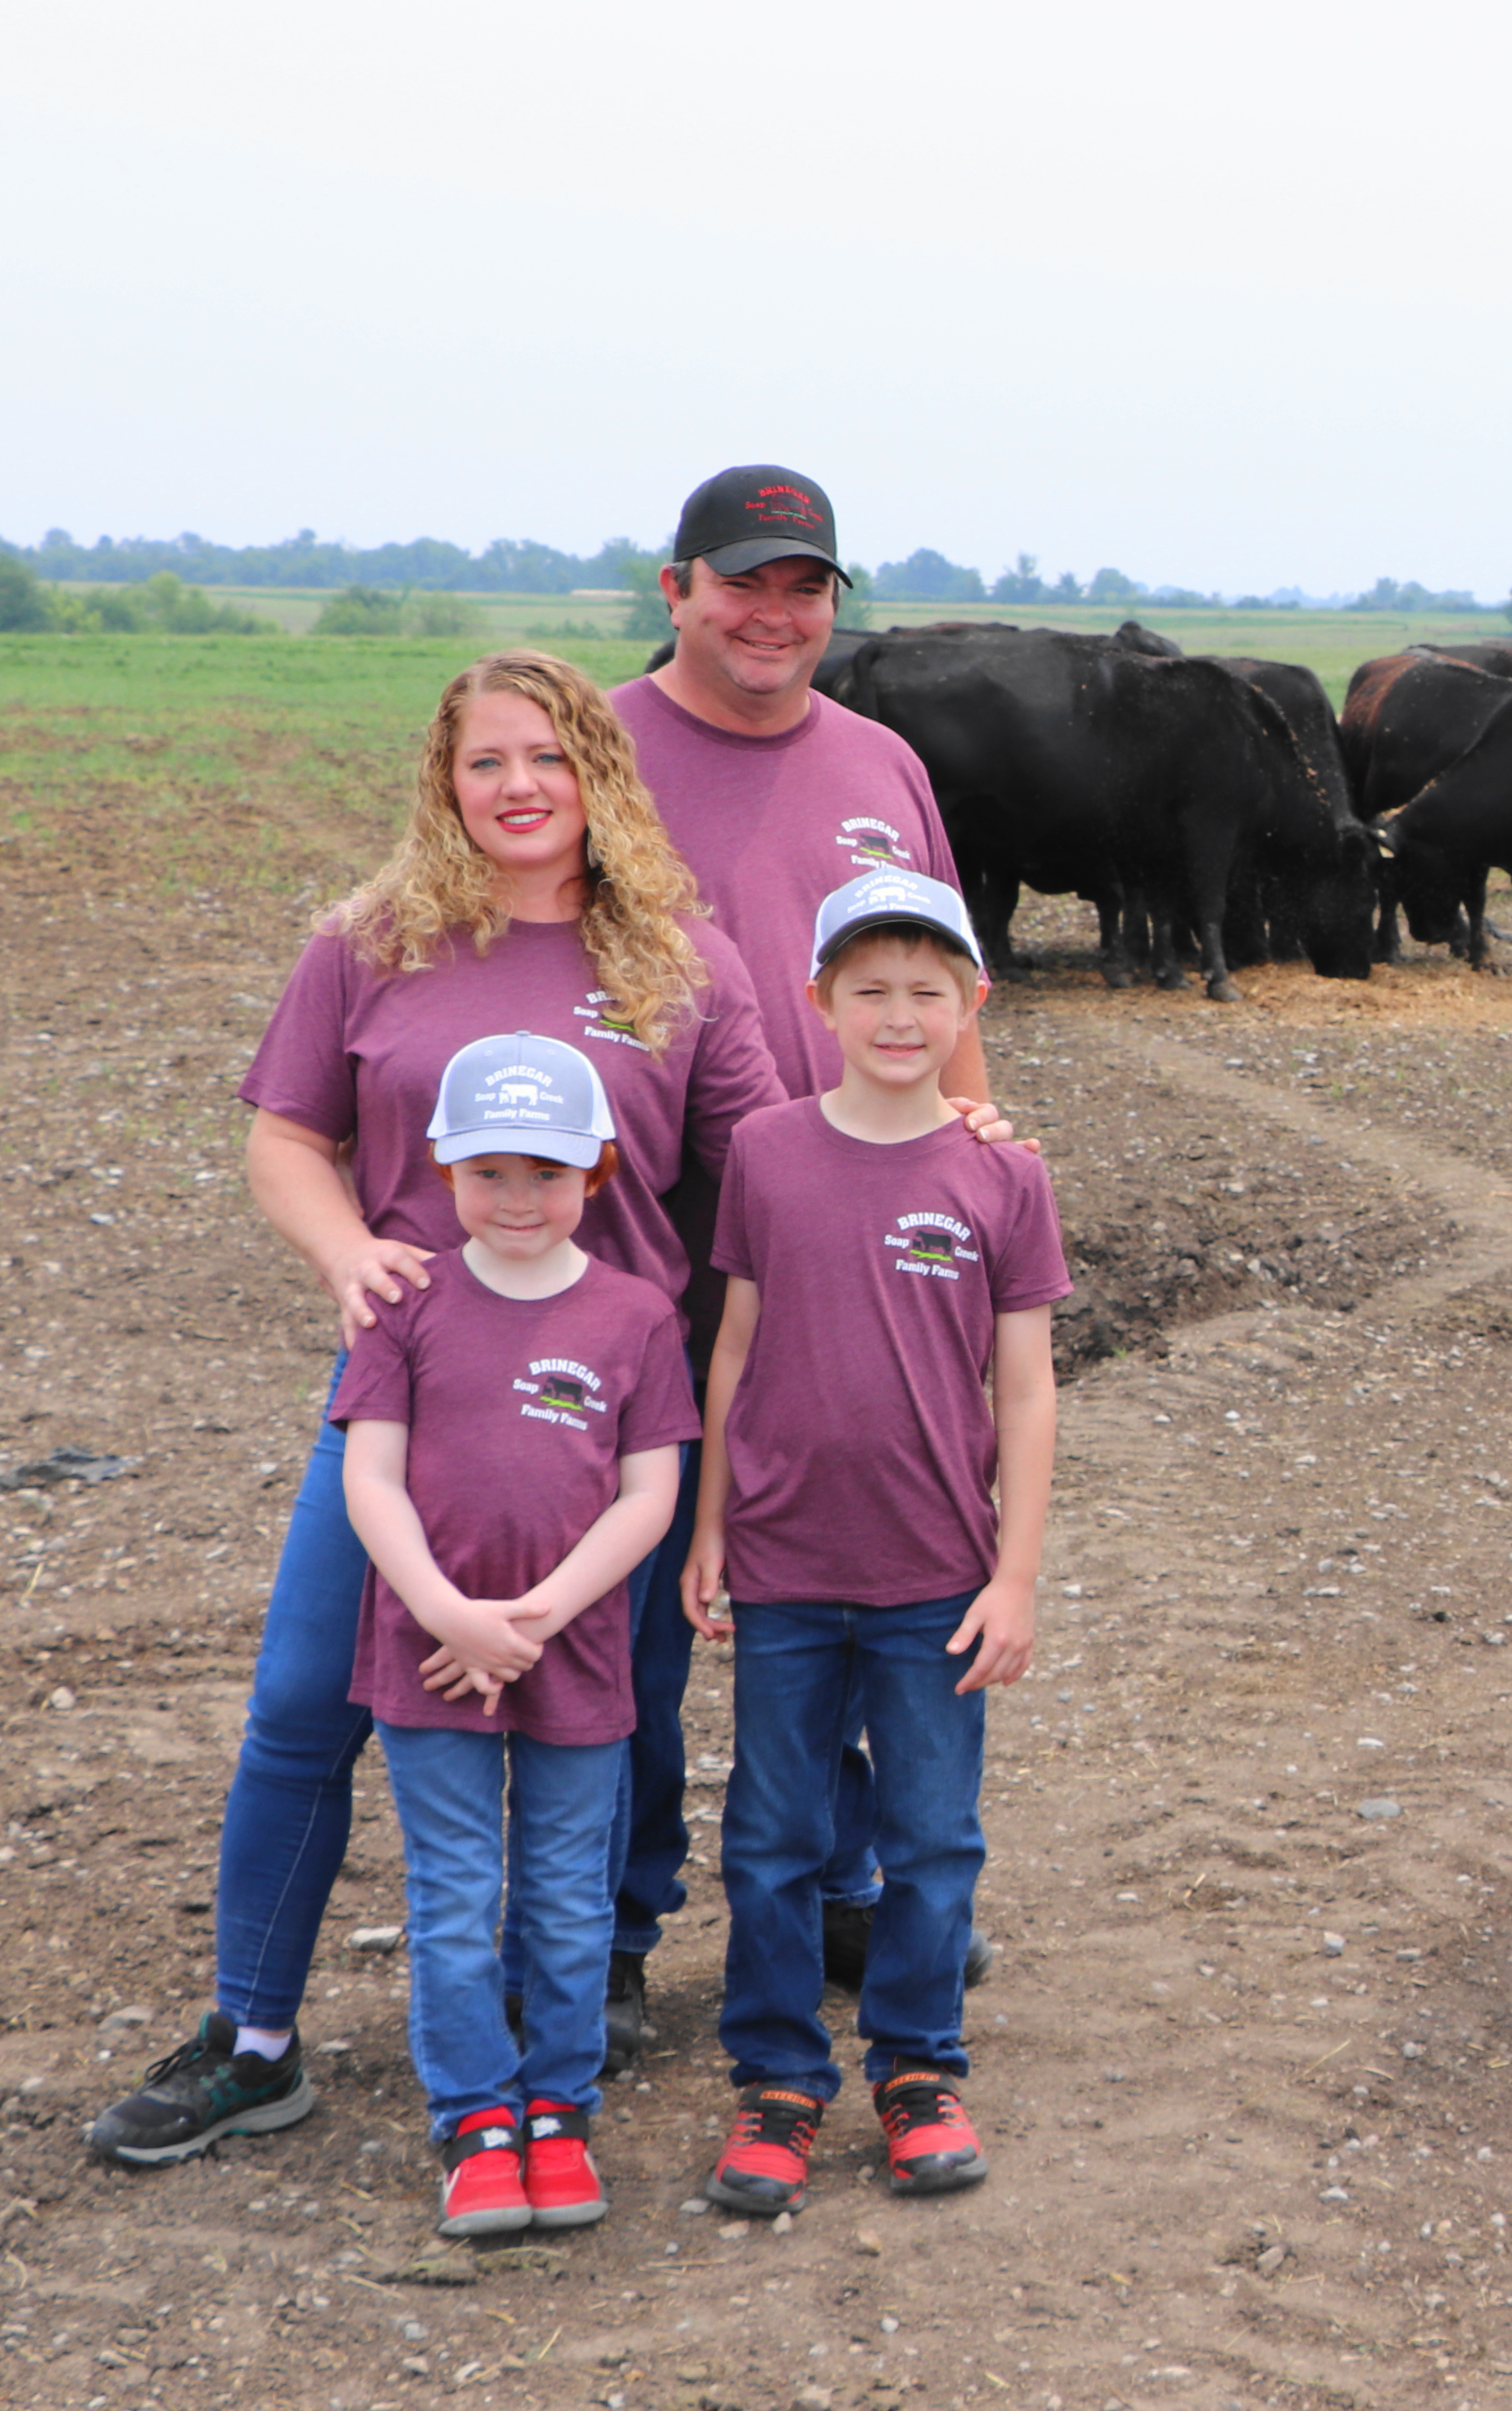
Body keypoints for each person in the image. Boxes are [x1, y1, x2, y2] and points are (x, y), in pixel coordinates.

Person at [88, 652, 779, 2169]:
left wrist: (948, 1133)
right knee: (298, 1708)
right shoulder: (375, 942)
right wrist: (347, 1250)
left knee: (603, 1714)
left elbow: (771, 1174)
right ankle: (251, 2034)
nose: (519, 785)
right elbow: (289, 1136)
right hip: (406, 1394)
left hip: (612, 1419)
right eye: (485, 763)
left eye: (548, 754)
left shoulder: (686, 962)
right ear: (444, 781)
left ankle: (552, 2038)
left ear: (599, 764)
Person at [603, 465, 995, 2043]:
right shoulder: (600, 749)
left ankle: (843, 1884)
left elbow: (948, 976)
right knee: (636, 1602)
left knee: (838, 1571)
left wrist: (972, 1158)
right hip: (632, 1243)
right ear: (676, 585)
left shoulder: (883, 762)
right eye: (744, 581)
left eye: (806, 586)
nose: (775, 614)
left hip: (841, 1255)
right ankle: (614, 1921)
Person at [682, 869, 1066, 2214]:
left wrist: (1013, 1575)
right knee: (771, 1836)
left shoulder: (1003, 1176)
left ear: (971, 1000)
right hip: (784, 1566)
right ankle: (778, 2081)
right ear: (820, 1002)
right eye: (869, 990)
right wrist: (711, 1525)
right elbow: (733, 1348)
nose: (898, 1015)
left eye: (925, 991)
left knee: (932, 1836)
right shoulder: (771, 1154)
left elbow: (1024, 1389)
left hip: (936, 1578)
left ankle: (916, 2068)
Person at [339, 1036, 698, 2235]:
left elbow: (649, 1496)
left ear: (595, 1172)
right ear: (445, 1173)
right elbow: (372, 1480)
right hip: (427, 1654)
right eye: (488, 1174)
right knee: (451, 1895)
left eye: (545, 1174)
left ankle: (558, 2107)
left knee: (563, 1898)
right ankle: (474, 2121)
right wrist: (450, 1613)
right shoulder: (409, 1302)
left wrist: (537, 1620)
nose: (518, 1200)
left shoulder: (637, 1317)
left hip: (576, 1654)